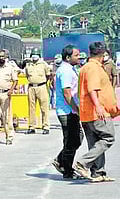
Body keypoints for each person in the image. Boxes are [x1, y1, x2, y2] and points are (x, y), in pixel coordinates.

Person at [74, 42, 117, 182]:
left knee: (95, 143)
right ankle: (83, 162)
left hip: (87, 113)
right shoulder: (93, 68)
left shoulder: (87, 67)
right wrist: (98, 106)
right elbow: (93, 88)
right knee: (108, 137)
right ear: (102, 54)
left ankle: (98, 173)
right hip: (97, 112)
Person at [51, 45, 84, 180]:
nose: (79, 57)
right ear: (68, 57)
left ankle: (60, 160)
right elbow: (66, 92)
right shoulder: (65, 71)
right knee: (71, 141)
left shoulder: (70, 69)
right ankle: (67, 171)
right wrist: (76, 109)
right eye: (76, 55)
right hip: (67, 111)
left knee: (77, 138)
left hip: (70, 110)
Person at [25, 47, 52, 135]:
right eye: (33, 55)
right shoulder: (28, 65)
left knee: (44, 108)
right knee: (31, 108)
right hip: (31, 87)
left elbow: (48, 75)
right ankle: (32, 126)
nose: (34, 57)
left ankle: (46, 126)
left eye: (36, 55)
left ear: (39, 55)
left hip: (42, 87)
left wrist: (43, 82)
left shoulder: (43, 64)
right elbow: (27, 75)